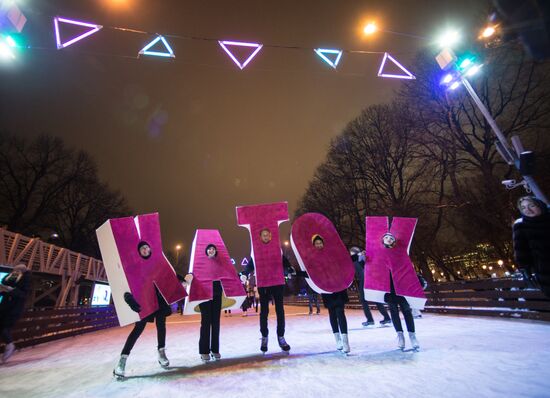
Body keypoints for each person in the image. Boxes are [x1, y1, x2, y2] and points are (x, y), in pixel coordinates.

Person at [113, 242, 191, 378]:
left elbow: (169, 275)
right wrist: (130, 299)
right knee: (138, 328)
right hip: (144, 300)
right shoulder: (135, 267)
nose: (145, 250)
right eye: (142, 248)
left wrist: (181, 279)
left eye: (147, 247)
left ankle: (161, 352)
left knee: (161, 325)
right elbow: (129, 285)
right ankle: (122, 359)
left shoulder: (157, 263)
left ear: (150, 249)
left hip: (159, 299)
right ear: (139, 251)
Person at [240, 228, 293, 353]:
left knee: (280, 311)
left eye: (267, 235)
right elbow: (250, 264)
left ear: (270, 236)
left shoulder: (276, 249)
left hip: (277, 283)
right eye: (263, 235)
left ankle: (281, 337)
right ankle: (264, 337)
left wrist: (289, 268)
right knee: (264, 312)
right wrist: (244, 273)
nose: (265, 237)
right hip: (264, 284)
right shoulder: (257, 252)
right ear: (260, 237)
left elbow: (284, 262)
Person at [297, 235, 351, 354]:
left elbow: (343, 263)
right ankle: (338, 340)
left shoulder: (332, 254)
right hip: (327, 290)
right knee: (332, 314)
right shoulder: (313, 259)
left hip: (338, 287)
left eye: (320, 243)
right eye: (316, 244)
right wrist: (297, 273)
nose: (319, 245)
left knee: (340, 313)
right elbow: (310, 273)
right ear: (314, 246)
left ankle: (345, 340)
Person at [381, 233, 420, 350]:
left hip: (401, 285)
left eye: (391, 238)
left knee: (407, 310)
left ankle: (412, 336)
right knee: (393, 311)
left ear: (393, 241)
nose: (388, 239)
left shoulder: (400, 252)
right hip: (388, 286)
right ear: (383, 240)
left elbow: (407, 267)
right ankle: (400, 335)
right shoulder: (379, 254)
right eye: (386, 238)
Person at [513, 196, 550, 297]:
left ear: (540, 206)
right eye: (523, 208)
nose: (528, 210)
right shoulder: (521, 227)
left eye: (531, 206)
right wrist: (527, 272)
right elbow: (522, 254)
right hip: (546, 273)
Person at [350, 247, 392, 327]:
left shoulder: (356, 258)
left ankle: (370, 320)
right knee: (375, 298)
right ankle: (386, 317)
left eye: (351, 252)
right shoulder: (362, 257)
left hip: (364, 280)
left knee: (363, 300)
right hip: (370, 279)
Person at [196, 244, 223, 362]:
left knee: (216, 323)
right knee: (206, 323)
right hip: (204, 296)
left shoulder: (220, 264)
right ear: (206, 251)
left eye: (213, 249)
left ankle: (215, 349)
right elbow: (194, 274)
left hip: (217, 295)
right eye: (209, 249)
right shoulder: (200, 264)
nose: (211, 250)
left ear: (215, 251)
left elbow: (228, 275)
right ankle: (204, 351)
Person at [0, 263, 31, 363]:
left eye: (17, 270)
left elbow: (23, 295)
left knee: (5, 329)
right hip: (4, 307)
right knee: (3, 328)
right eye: (14, 270)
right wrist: (3, 290)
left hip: (14, 309)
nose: (15, 272)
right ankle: (9, 345)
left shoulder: (25, 280)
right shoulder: (10, 278)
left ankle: (10, 345)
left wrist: (11, 290)